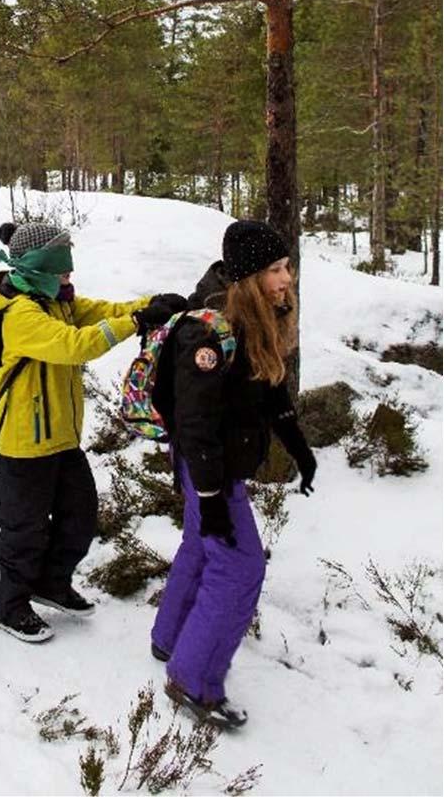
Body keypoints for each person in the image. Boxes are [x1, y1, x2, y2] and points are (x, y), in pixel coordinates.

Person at [150, 219, 317, 730]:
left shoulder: (252, 317)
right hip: (208, 466)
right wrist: (212, 495)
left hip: (216, 466)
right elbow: (197, 427)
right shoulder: (209, 330)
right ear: (248, 277)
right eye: (275, 269)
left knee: (204, 546)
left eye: (287, 266)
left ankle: (170, 636)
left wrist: (298, 448)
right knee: (242, 566)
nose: (286, 277)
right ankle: (192, 678)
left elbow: (267, 389)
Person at [0, 221, 181, 643]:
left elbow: (108, 311)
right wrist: (136, 321)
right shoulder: (20, 314)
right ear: (39, 269)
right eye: (62, 272)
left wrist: (154, 303)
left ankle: (50, 583)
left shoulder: (58, 301)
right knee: (24, 529)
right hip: (24, 444)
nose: (69, 279)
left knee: (80, 516)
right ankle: (10, 603)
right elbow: (77, 345)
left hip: (61, 438)